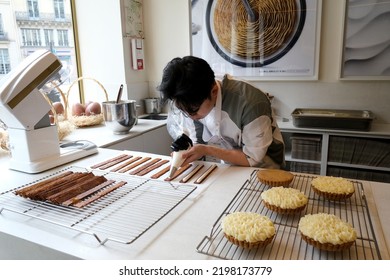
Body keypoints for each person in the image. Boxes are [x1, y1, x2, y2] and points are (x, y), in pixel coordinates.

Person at [158, 56, 285, 169]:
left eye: (193, 112)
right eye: (183, 111)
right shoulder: (191, 99)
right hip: (230, 166)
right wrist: (187, 149)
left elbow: (252, 158)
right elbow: (197, 140)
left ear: (213, 92)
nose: (191, 117)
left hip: (265, 168)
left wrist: (206, 150)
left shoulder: (251, 103)